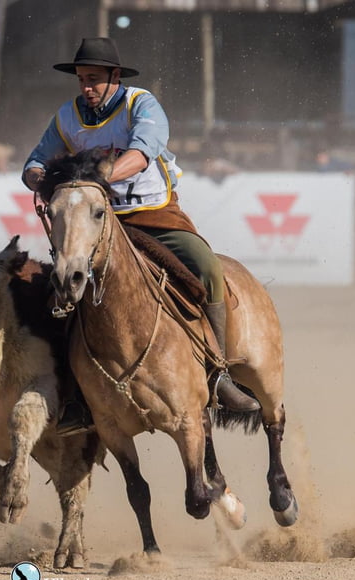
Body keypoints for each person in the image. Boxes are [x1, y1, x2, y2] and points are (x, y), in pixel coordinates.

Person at [22, 37, 260, 435]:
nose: (87, 87)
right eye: (82, 79)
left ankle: (218, 373)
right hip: (99, 226)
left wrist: (98, 177)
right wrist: (39, 177)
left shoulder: (141, 105)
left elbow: (144, 151)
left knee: (206, 268)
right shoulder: (66, 116)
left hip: (154, 215)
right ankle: (76, 396)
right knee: (61, 290)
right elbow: (36, 159)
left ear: (115, 77)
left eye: (94, 79)